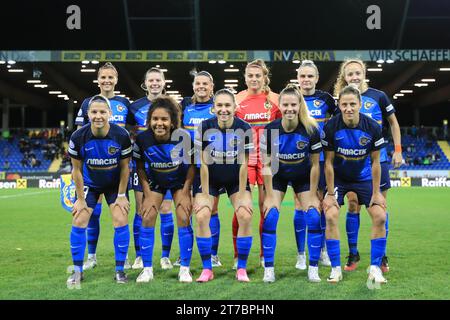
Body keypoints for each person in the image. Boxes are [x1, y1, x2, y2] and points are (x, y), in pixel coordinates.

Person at [333, 58, 402, 273]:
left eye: (357, 73)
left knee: (380, 207)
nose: (354, 77)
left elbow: (393, 123)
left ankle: (381, 256)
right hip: (351, 162)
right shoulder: (342, 100)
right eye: (350, 74)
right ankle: (353, 253)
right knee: (353, 205)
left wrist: (398, 150)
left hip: (377, 159)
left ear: (364, 73)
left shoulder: (379, 96)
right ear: (345, 77)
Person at [322, 85, 387, 285]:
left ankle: (375, 268)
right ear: (339, 106)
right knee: (331, 214)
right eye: (344, 104)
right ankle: (335, 269)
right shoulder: (331, 126)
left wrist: (376, 192)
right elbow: (329, 163)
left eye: (352, 104)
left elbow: (376, 162)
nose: (348, 108)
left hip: (364, 177)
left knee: (380, 216)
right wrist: (331, 194)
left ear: (360, 104)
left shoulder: (373, 127)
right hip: (339, 179)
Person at [67, 95, 132, 288]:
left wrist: (121, 195)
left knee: (120, 218)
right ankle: (77, 272)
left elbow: (125, 168)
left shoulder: (121, 135)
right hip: (90, 184)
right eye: (94, 112)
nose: (98, 116)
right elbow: (76, 170)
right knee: (79, 219)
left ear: (110, 114)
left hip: (114, 185)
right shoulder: (78, 137)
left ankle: (120, 270)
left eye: (102, 112)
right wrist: (80, 199)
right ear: (88, 114)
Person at [260, 84, 322, 283]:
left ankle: (313, 268)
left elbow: (314, 165)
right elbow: (266, 165)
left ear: (299, 105)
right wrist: (269, 196)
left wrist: (313, 195)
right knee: (270, 217)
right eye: (285, 104)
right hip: (278, 175)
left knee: (313, 216)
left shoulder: (311, 129)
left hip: (302, 176)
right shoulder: (270, 130)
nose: (289, 109)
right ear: (279, 105)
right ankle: (268, 269)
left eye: (293, 105)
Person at [74, 62, 132, 271]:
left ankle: (123, 258)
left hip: (117, 169)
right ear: (98, 80)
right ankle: (91, 255)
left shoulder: (124, 103)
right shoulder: (87, 103)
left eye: (110, 77)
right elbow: (80, 135)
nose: (106, 81)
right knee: (92, 213)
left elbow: (134, 129)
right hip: (93, 169)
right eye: (103, 77)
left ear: (116, 80)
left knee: (120, 213)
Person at [133, 96, 195, 283]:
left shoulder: (183, 137)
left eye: (164, 119)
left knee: (184, 215)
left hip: (179, 181)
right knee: (148, 215)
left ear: (172, 121)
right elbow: (141, 167)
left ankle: (185, 268)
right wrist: (148, 193)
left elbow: (192, 166)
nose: (159, 123)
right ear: (149, 120)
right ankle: (147, 269)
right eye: (155, 119)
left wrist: (185, 193)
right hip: (156, 183)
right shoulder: (142, 139)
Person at [193, 89, 254, 282]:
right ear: (213, 108)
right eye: (219, 105)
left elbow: (244, 163)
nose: (223, 109)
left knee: (244, 214)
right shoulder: (203, 127)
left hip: (235, 178)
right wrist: (203, 192)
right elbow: (202, 163)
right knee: (202, 214)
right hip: (210, 178)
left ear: (235, 108)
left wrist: (244, 192)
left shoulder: (244, 128)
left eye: (227, 105)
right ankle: (207, 268)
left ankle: (241, 268)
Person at [234, 59, 281, 268]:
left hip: (268, 159)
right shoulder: (236, 100)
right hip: (244, 159)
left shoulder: (276, 100)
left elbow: (283, 128)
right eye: (250, 75)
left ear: (264, 77)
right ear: (245, 78)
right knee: (242, 207)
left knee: (265, 207)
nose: (254, 79)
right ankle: (238, 256)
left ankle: (264, 255)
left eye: (257, 75)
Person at [127, 67, 175, 271]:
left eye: (158, 80)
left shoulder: (172, 105)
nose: (154, 83)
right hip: (143, 166)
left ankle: (165, 256)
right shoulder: (134, 107)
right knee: (142, 210)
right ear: (145, 84)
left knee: (165, 209)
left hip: (166, 165)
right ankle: (140, 255)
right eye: (151, 80)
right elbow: (129, 134)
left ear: (164, 82)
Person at [176, 71, 223, 267]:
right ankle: (184, 255)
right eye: (198, 83)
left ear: (212, 86)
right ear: (193, 85)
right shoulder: (185, 106)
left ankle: (213, 254)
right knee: (184, 210)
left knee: (211, 210)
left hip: (211, 165)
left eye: (205, 83)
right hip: (188, 165)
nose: (201, 86)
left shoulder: (217, 107)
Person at [293, 60, 336, 269]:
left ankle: (322, 251)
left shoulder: (326, 99)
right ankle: (301, 254)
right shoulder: (292, 97)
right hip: (297, 159)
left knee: (319, 205)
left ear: (316, 78)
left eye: (310, 76)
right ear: (298, 78)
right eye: (303, 76)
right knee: (299, 204)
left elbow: (339, 121)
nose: (306, 80)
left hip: (319, 159)